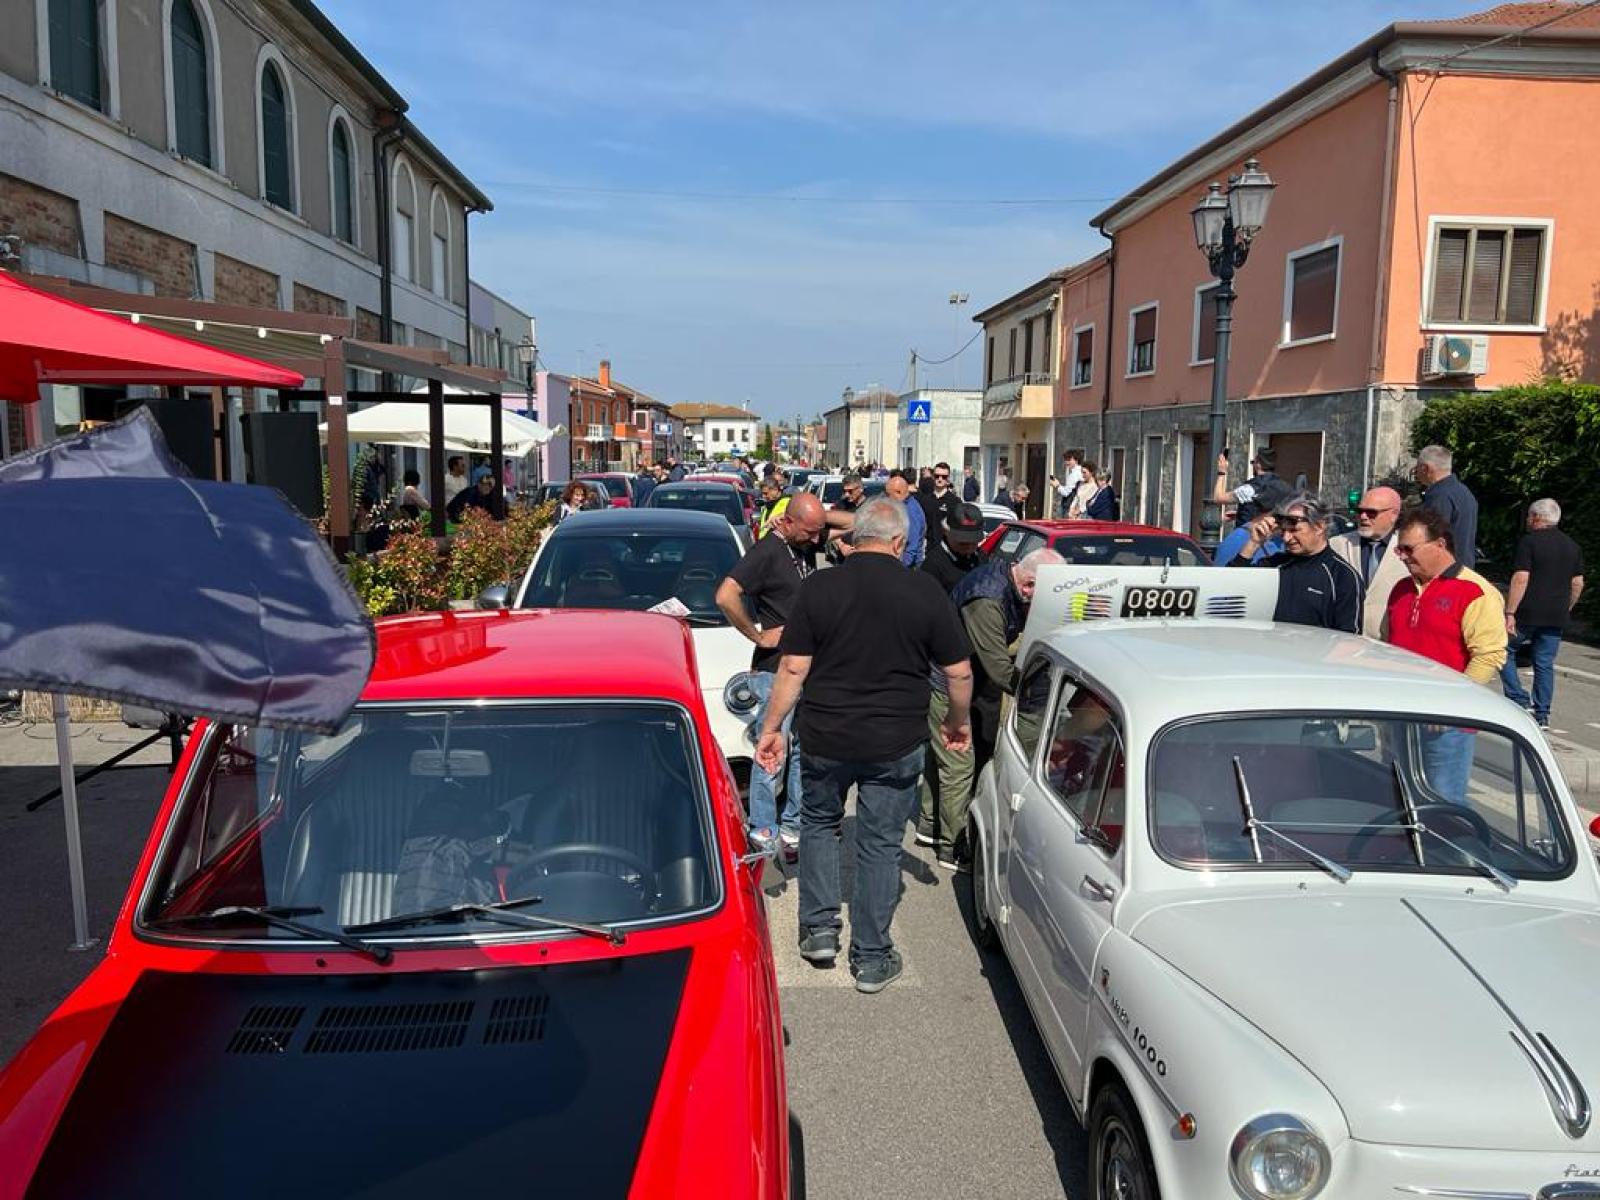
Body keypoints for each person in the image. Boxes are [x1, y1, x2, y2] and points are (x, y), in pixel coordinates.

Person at [756, 498, 973, 993]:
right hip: (895, 741)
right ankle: (872, 957)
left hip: (825, 736)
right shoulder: (924, 590)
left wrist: (772, 728)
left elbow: (793, 666)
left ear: (854, 537)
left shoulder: (819, 587)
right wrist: (957, 722)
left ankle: (819, 932)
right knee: (879, 844)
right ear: (898, 542)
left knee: (819, 825)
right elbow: (958, 672)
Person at [914, 547, 1065, 868]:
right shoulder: (987, 599)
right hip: (949, 683)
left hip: (962, 678)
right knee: (958, 765)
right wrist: (1042, 690)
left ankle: (930, 825)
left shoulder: (1004, 580)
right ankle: (953, 847)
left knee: (941, 759)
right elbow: (999, 668)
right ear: (1029, 585)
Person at [717, 493, 828, 853]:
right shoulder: (767, 551)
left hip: (804, 666)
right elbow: (725, 595)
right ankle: (763, 826)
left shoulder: (802, 543)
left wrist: (817, 521)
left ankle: (793, 823)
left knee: (799, 746)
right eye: (810, 532)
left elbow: (854, 523)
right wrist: (757, 635)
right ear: (788, 522)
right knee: (772, 747)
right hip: (775, 669)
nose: (817, 540)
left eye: (819, 532)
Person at [1385, 508, 1506, 801]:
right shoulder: (1401, 589)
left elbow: (1488, 656)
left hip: (1446, 722)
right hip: (1400, 713)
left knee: (1443, 800)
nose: (1402, 557)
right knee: (1398, 796)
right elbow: (1389, 644)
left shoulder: (1475, 591)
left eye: (1409, 549)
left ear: (1439, 544)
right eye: (1399, 549)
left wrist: (1450, 706)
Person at [1500, 498, 1585, 729]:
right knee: (1544, 661)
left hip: (1527, 611)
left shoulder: (1529, 542)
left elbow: (1521, 578)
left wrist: (1510, 612)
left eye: (1529, 516)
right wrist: (1567, 606)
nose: (1528, 520)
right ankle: (1542, 712)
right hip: (1556, 613)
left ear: (1537, 518)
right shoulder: (1572, 546)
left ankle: (1518, 698)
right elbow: (1577, 582)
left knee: (1502, 650)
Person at [1226, 492, 1362, 632]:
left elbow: (1349, 636)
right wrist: (1254, 543)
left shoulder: (1342, 577)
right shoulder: (1275, 565)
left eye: (1294, 530)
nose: (1286, 538)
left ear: (1319, 527)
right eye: (1283, 531)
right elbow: (1229, 589)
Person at [1330, 486, 1408, 639]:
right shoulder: (1337, 545)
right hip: (1342, 640)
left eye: (1372, 512)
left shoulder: (1410, 549)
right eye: (1360, 511)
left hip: (1386, 644)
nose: (1363, 517)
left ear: (1394, 514)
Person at [1415, 444, 1479, 568]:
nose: (1416, 472)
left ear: (1425, 468)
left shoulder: (1439, 496)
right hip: (1464, 566)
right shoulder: (1464, 491)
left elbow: (1432, 536)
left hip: (1445, 568)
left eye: (1417, 467)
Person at [1213, 448, 1292, 529]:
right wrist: (1241, 513)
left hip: (1249, 534)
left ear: (1258, 464)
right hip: (1274, 534)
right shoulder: (1286, 488)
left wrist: (1222, 472)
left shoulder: (1251, 488)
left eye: (1253, 462)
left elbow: (1218, 498)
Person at [921, 502, 986, 593]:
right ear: (946, 532)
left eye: (974, 541)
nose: (969, 546)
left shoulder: (981, 558)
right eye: (963, 542)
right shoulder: (933, 565)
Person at [882, 470, 926, 567]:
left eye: (888, 494)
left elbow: (911, 548)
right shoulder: (902, 507)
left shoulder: (910, 511)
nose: (886, 498)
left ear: (899, 492)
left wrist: (900, 568)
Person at [915, 462, 961, 552]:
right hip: (927, 550)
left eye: (944, 477)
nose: (940, 479)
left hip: (947, 551)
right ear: (933, 476)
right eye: (937, 476)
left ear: (948, 479)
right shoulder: (924, 500)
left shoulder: (955, 502)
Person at [756, 472, 791, 538]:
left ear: (775, 490)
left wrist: (783, 515)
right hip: (765, 542)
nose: (763, 496)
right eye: (762, 493)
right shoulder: (768, 504)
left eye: (765, 493)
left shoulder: (788, 502)